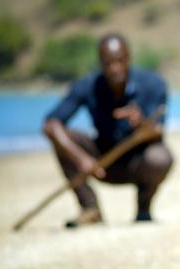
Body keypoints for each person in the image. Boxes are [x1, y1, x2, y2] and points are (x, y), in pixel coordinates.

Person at [43, 33, 172, 228]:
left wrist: (141, 123)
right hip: (102, 163)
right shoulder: (87, 86)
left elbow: (158, 132)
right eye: (108, 63)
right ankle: (90, 208)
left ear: (129, 59)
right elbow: (51, 125)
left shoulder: (153, 84)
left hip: (139, 162)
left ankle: (143, 210)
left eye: (120, 61)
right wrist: (80, 158)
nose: (114, 69)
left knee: (161, 157)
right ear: (100, 63)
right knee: (64, 138)